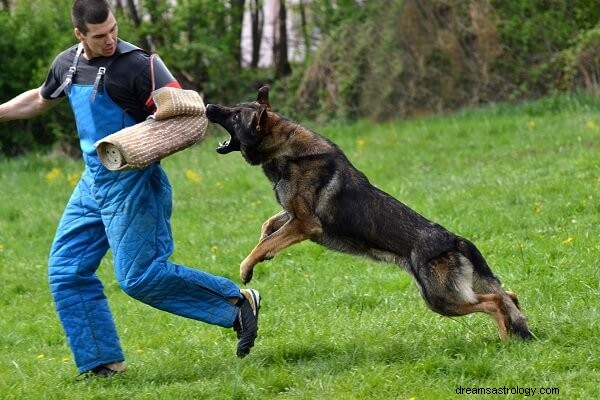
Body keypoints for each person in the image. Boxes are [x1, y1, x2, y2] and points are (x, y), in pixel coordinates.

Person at [0, 0, 260, 378]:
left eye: (113, 30)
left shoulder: (141, 65)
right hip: (93, 181)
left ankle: (236, 303)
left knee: (139, 277)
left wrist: (165, 110)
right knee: (66, 271)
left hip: (134, 181)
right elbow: (41, 98)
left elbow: (185, 111)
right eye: (100, 35)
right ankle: (103, 364)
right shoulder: (67, 64)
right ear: (80, 35)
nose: (110, 40)